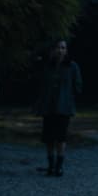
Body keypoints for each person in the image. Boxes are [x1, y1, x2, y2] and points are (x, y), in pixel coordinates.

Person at [37, 39, 82, 177]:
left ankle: (59, 166)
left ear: (66, 50)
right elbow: (41, 84)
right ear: (53, 50)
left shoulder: (72, 66)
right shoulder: (47, 66)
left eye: (63, 48)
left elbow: (78, 85)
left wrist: (69, 96)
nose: (60, 50)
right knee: (49, 138)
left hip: (64, 107)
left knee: (61, 137)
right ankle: (50, 165)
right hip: (49, 107)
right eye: (58, 47)